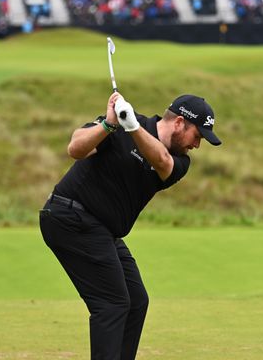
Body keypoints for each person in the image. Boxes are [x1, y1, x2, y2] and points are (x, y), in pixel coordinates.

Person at [40, 92, 221, 360]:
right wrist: (109, 125)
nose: (197, 144)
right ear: (180, 122)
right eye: (198, 135)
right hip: (69, 217)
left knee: (136, 301)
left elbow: (160, 161)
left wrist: (132, 127)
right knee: (112, 304)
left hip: (102, 229)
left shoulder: (179, 160)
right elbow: (75, 149)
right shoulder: (122, 125)